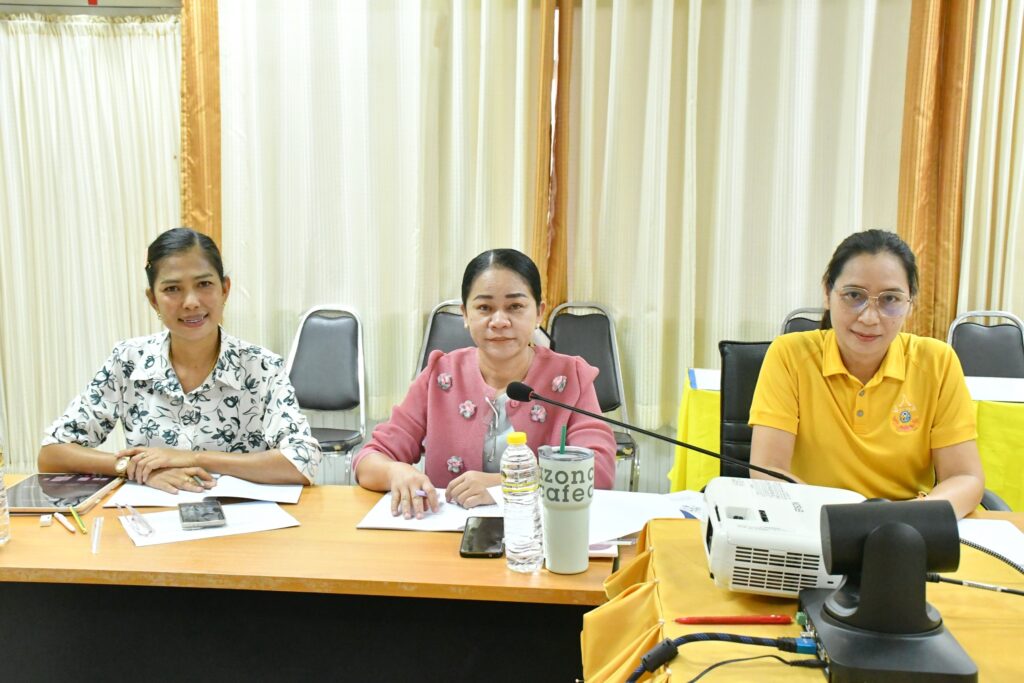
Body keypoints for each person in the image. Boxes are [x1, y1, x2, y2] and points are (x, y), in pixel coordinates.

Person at [38, 227, 321, 492]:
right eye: (172, 289)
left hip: (240, 520)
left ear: (225, 289)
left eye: (204, 284)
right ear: (153, 299)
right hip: (149, 517)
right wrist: (133, 468)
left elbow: (303, 460)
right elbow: (52, 453)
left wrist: (192, 458)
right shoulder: (128, 360)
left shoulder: (261, 367)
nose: (191, 302)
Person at [354, 248, 616, 518]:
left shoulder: (570, 376)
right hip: (449, 535)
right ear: (465, 314)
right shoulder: (439, 375)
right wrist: (396, 471)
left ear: (539, 312)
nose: (499, 321)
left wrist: (504, 485)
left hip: (540, 529)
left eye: (515, 306)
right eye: (484, 308)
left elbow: (599, 472)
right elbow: (368, 461)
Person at [749, 229, 984, 519]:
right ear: (827, 293)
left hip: (906, 528)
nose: (869, 317)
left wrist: (910, 518)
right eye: (854, 295)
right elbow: (768, 470)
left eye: (890, 299)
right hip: (813, 522)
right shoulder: (789, 355)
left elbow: (964, 477)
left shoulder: (937, 362)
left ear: (910, 303)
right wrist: (834, 522)